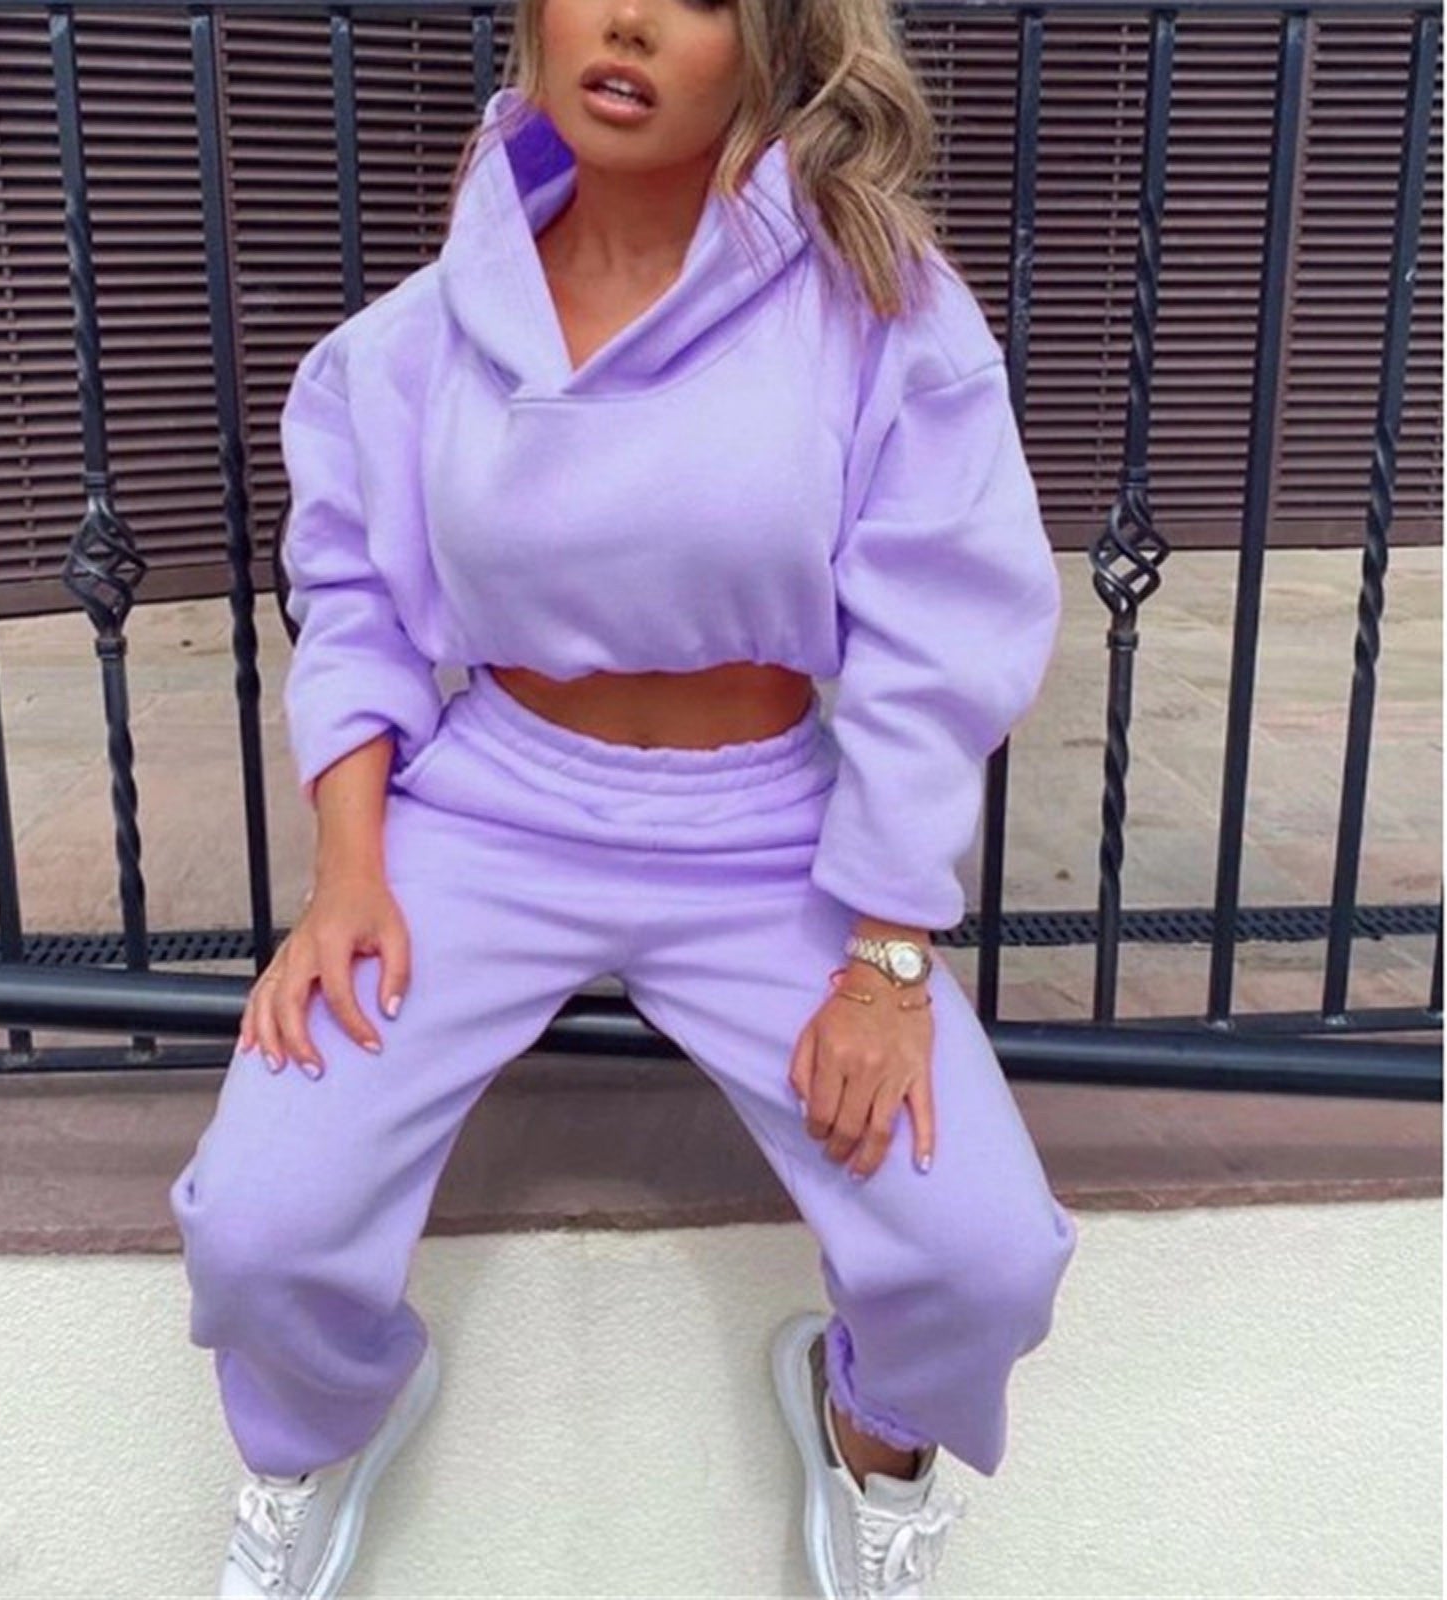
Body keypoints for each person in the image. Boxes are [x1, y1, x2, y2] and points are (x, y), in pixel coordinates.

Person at [168, 1, 1078, 1595]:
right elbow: (357, 601)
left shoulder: (883, 311)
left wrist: (887, 954)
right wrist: (349, 870)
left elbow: (942, 639)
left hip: (771, 840)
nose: (631, 21)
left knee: (978, 1256)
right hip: (493, 808)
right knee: (261, 1224)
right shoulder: (425, 337)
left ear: (777, 42)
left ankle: (868, 1431)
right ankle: (324, 1425)